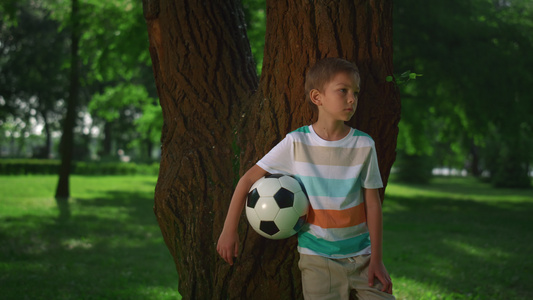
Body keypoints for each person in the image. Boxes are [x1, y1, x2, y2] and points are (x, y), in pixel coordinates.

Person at [217, 57, 395, 300]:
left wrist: (377, 259)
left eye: (355, 92)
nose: (352, 99)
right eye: (343, 91)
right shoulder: (296, 143)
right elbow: (247, 180)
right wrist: (229, 230)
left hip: (363, 258)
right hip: (317, 260)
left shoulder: (364, 144)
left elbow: (373, 203)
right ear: (317, 97)